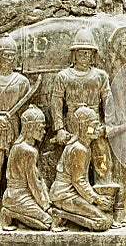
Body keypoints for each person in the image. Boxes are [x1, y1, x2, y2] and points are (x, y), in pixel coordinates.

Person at [51, 28, 115, 186]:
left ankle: (104, 194)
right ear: (74, 54)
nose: (85, 57)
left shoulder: (100, 76)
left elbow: (108, 100)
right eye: (81, 53)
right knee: (74, 162)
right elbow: (56, 102)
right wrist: (59, 128)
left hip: (94, 124)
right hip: (73, 124)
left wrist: (108, 124)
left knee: (102, 159)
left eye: (88, 53)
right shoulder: (64, 76)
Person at [0, 33, 30, 230]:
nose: (8, 59)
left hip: (14, 132)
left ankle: (11, 213)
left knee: (13, 175)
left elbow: (26, 110)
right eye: (4, 55)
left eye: (11, 55)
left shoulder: (21, 82)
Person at [49, 105, 113, 232]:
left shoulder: (84, 146)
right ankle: (60, 214)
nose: (97, 128)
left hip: (71, 193)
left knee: (106, 216)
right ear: (83, 127)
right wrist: (96, 199)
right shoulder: (79, 149)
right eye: (94, 125)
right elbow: (78, 181)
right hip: (64, 195)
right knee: (103, 222)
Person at [2, 105, 52, 231]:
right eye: (40, 128)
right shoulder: (28, 151)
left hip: (16, 194)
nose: (44, 132)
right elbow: (33, 182)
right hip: (18, 197)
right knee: (47, 222)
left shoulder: (18, 146)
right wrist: (45, 206)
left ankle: (11, 210)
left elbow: (38, 179)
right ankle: (10, 212)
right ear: (30, 128)